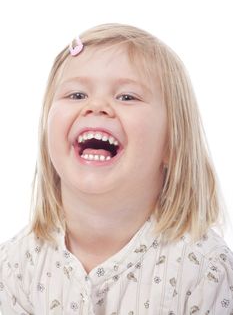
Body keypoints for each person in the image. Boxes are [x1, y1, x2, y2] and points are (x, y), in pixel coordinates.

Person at [0, 23, 232, 315]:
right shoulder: (14, 269)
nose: (96, 106)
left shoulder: (203, 270)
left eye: (126, 97)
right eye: (76, 95)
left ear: (172, 143)